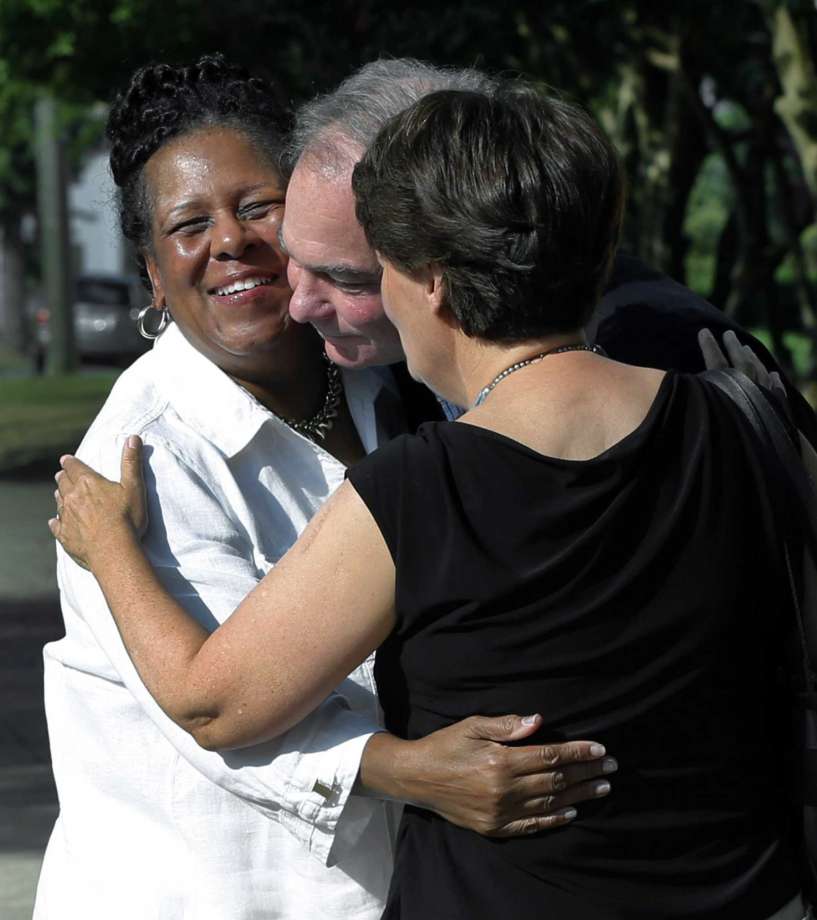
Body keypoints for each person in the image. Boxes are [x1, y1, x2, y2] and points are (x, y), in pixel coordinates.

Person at [52, 84, 802, 918]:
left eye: (366, 270)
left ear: (432, 285)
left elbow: (213, 699)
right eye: (189, 225)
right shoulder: (728, 414)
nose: (238, 246)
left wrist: (110, 547)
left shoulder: (418, 473)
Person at [279, 58, 817, 445]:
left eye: (347, 280)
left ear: (447, 264)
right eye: (292, 257)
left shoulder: (666, 362)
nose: (299, 305)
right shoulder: (385, 365)